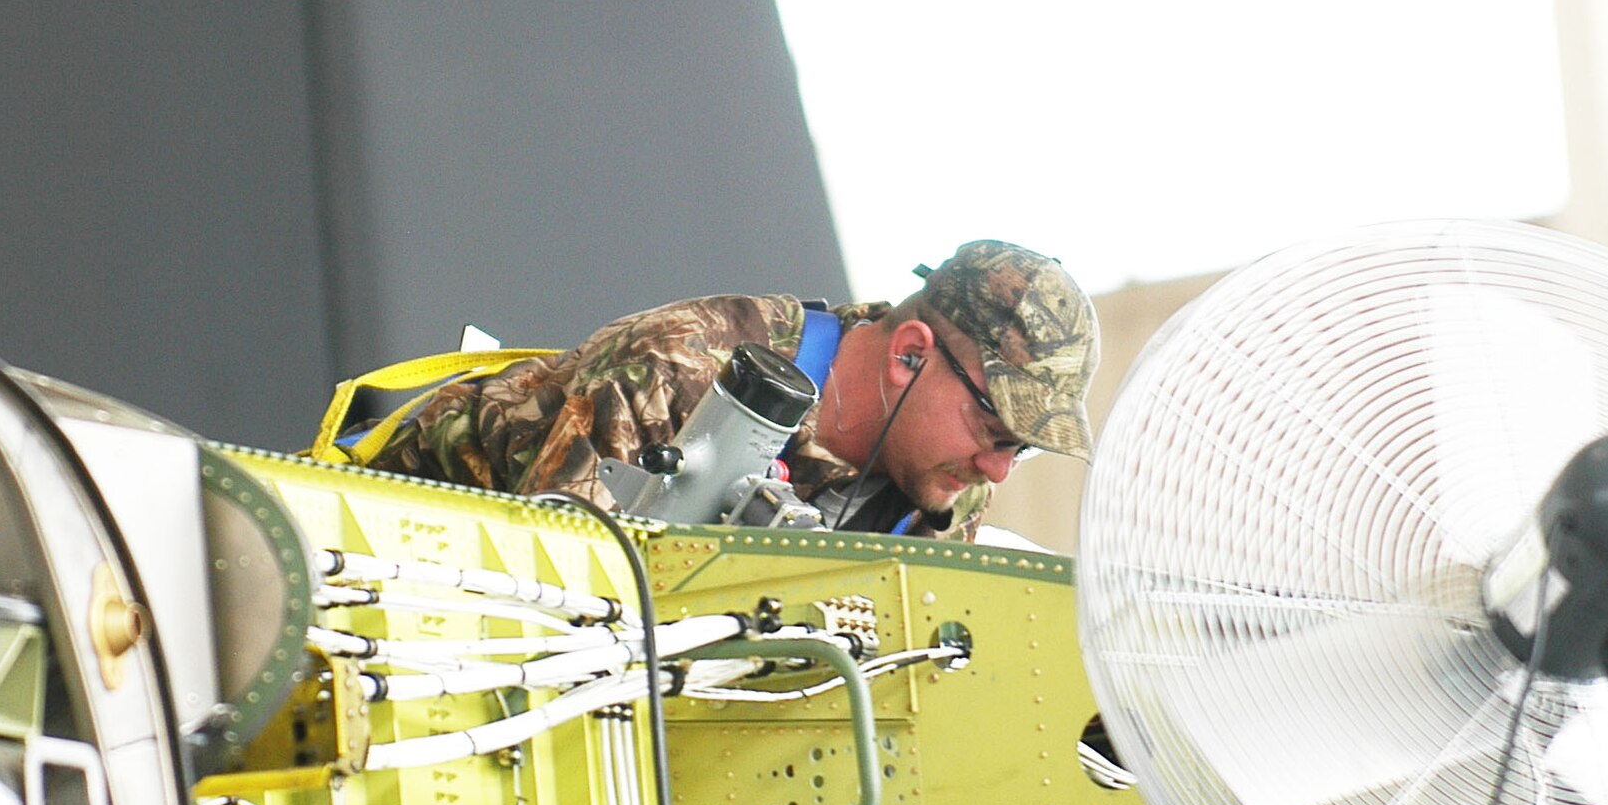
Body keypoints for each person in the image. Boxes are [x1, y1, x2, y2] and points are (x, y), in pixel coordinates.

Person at [369, 241, 1098, 541]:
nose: (998, 468)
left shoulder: (945, 488)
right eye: (996, 431)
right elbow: (571, 604)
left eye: (1021, 450)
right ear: (909, 355)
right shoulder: (685, 368)